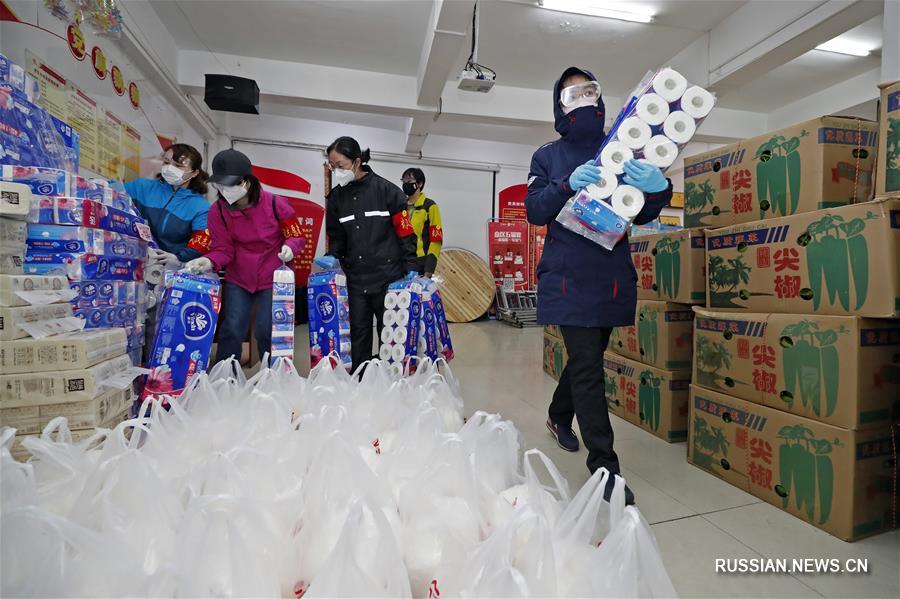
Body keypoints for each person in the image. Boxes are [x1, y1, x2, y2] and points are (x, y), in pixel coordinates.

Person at [526, 67, 673, 501]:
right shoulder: (548, 155)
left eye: (589, 90)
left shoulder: (623, 147)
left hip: (609, 276)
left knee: (585, 359)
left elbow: (641, 213)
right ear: (561, 103)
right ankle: (605, 471)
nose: (584, 97)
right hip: (567, 275)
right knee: (589, 366)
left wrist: (659, 188)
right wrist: (565, 183)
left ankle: (557, 415)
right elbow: (535, 209)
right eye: (574, 92)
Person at [185, 149, 306, 365]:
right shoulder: (218, 212)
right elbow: (223, 249)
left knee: (266, 329)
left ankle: (274, 375)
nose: (225, 190)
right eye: (220, 185)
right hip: (239, 277)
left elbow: (295, 235)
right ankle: (226, 375)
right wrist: (209, 261)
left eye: (230, 184)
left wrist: (290, 247)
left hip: (273, 275)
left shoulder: (276, 204)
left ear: (247, 181)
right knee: (232, 327)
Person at [314, 137, 418, 372]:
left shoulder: (388, 192)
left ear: (357, 161)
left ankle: (387, 382)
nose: (336, 171)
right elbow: (337, 236)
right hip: (356, 278)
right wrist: (333, 254)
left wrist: (412, 264)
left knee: (389, 334)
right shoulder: (337, 199)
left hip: (388, 277)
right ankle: (360, 382)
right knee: (358, 333)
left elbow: (405, 232)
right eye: (332, 166)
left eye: (340, 165)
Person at [124, 143, 211, 267]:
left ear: (194, 173)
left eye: (178, 166)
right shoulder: (141, 187)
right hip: (132, 259)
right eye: (166, 162)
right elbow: (112, 192)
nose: (170, 168)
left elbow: (200, 245)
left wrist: (178, 258)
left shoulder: (201, 207)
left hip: (168, 269)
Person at [401, 167, 443, 277]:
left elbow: (436, 239)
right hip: (399, 262)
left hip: (419, 263)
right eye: (403, 181)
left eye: (409, 181)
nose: (405, 184)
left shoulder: (430, 206)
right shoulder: (400, 206)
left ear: (419, 184)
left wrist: (429, 269)